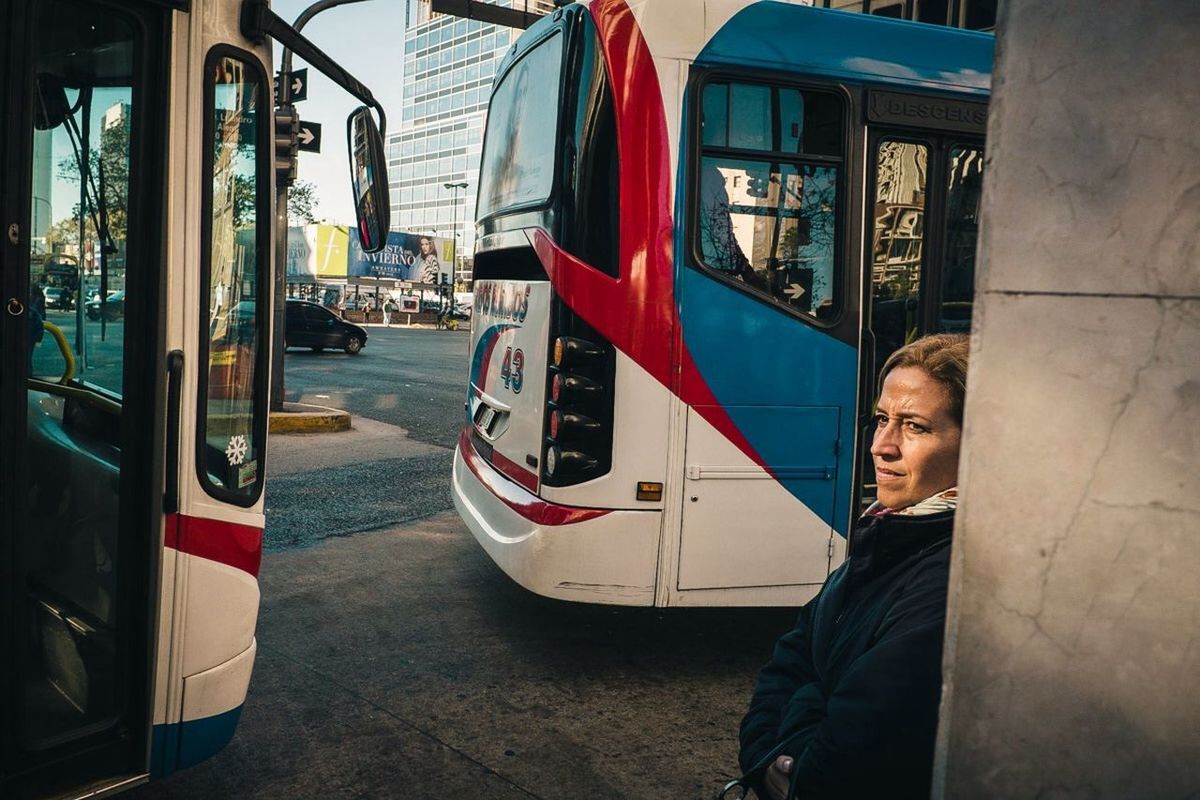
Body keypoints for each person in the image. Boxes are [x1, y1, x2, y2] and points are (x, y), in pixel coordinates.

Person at [734, 333, 969, 800]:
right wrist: (766, 758)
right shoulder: (887, 535)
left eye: (915, 427)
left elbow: (849, 754)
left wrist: (801, 722)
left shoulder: (952, 577)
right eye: (882, 420)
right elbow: (790, 659)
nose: (882, 446)